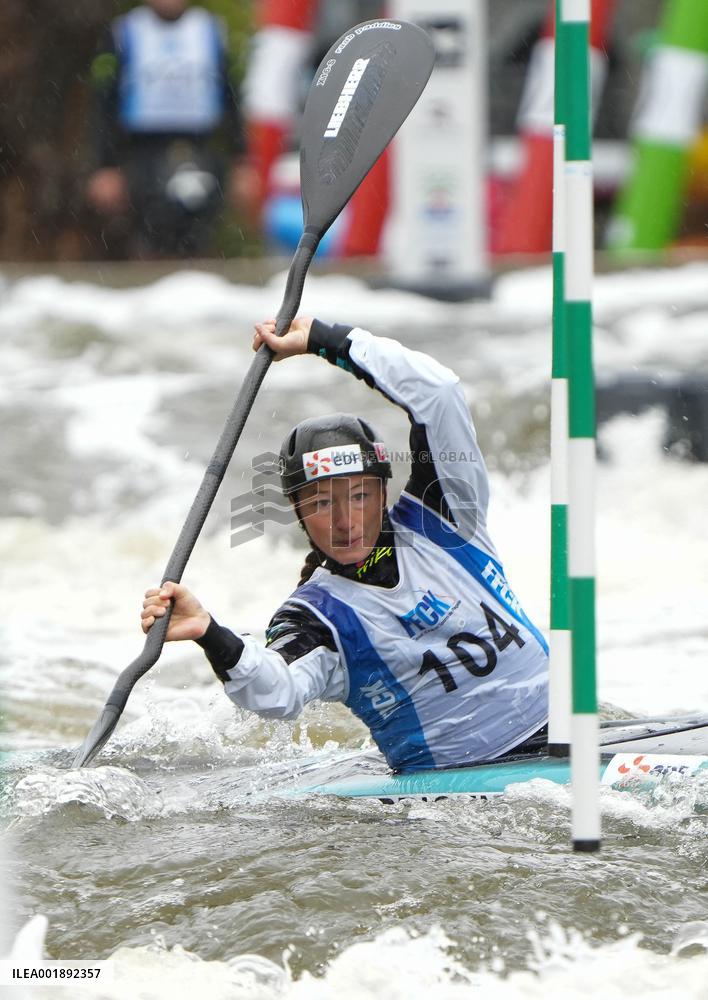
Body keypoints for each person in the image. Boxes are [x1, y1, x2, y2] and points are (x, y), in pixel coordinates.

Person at [142, 318, 549, 772]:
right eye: (320, 502)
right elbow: (278, 690)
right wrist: (208, 631)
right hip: (461, 781)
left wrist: (324, 340)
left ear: (382, 492)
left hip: (565, 732)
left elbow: (440, 393)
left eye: (359, 495)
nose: (344, 520)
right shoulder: (317, 618)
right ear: (297, 512)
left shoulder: (448, 513)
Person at [85, 0, 256, 258]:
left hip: (199, 147)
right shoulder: (126, 30)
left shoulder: (209, 29)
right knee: (151, 234)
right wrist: (105, 165)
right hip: (144, 150)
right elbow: (105, 102)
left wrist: (241, 160)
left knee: (198, 233)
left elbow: (231, 98)